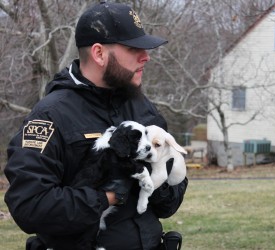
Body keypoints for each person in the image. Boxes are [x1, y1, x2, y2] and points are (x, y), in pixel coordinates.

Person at [4, 2, 188, 250]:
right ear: (99, 53)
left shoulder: (143, 109)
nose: (146, 57)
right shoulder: (50, 116)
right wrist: (109, 196)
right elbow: (30, 206)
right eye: (134, 48)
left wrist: (154, 184)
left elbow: (170, 202)